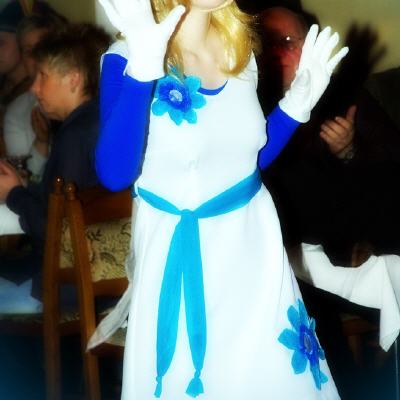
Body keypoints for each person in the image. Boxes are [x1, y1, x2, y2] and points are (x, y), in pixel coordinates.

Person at [91, 0, 347, 398]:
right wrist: (143, 67)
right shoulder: (127, 54)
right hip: (181, 260)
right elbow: (113, 173)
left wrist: (298, 103)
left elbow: (245, 161)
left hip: (255, 254)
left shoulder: (239, 53)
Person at [0, 23, 111, 313]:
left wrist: (13, 194)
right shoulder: (100, 122)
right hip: (100, 285)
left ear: (73, 79)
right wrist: (25, 188)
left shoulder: (75, 136)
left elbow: (56, 232)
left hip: (64, 289)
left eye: (43, 76)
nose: (34, 87)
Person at [3, 12, 67, 180]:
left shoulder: (84, 97)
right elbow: (24, 179)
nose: (35, 57)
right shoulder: (17, 111)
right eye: (28, 50)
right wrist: (41, 142)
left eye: (43, 47)